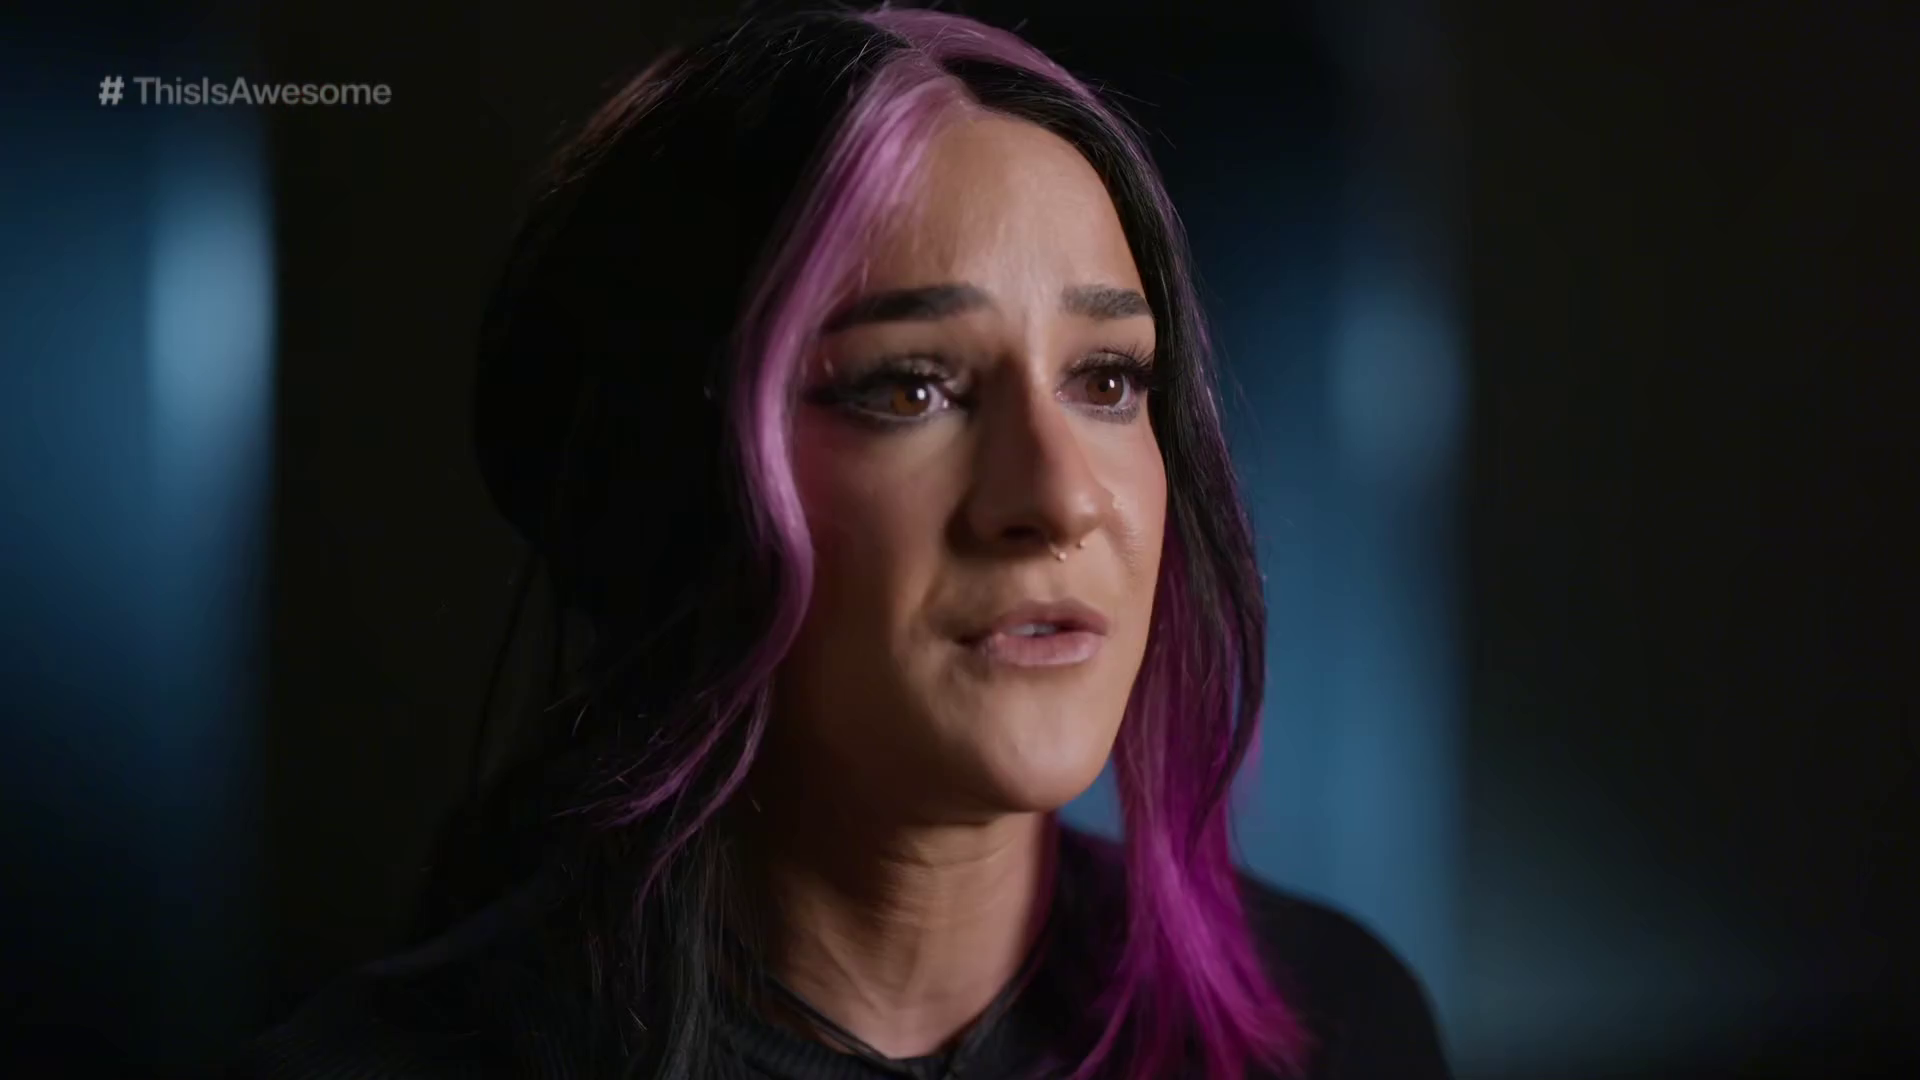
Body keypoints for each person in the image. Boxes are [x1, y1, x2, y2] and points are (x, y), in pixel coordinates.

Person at [234, 5, 1452, 1078]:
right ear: (674, 477)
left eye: (1106, 379)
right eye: (911, 387)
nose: (1059, 498)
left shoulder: (1331, 1027)